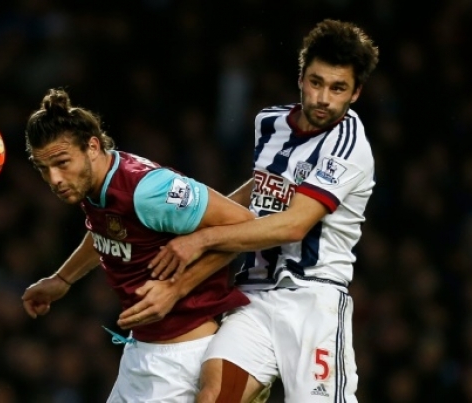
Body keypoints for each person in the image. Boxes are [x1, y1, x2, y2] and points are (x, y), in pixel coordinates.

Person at [123, 19, 380, 402]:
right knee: (212, 396)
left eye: (338, 87)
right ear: (301, 78)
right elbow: (257, 190)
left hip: (313, 301)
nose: (324, 98)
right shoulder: (270, 122)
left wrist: (202, 238)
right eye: (316, 82)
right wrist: (198, 215)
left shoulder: (348, 145)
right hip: (253, 298)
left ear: (355, 93)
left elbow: (294, 225)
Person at [20, 88, 256, 403]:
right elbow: (109, 229)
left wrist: (176, 286)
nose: (54, 178)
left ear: (92, 147)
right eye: (43, 168)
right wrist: (63, 279)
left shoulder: (148, 191)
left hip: (182, 358)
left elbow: (247, 226)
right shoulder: (95, 184)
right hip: (142, 353)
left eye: (62, 163)